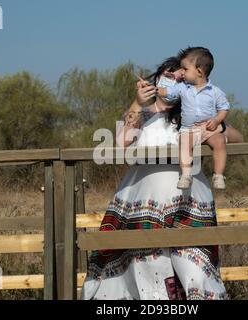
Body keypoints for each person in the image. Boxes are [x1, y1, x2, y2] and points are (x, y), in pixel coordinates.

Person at [81, 56, 229, 300]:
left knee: (194, 270)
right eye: (169, 76)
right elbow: (120, 143)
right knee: (147, 267)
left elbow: (232, 137)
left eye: (180, 79)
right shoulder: (141, 114)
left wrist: (217, 126)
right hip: (141, 202)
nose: (173, 82)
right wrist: (138, 104)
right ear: (158, 78)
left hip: (189, 203)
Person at [157, 47, 231, 190]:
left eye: (185, 69)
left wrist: (216, 120)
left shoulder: (215, 91)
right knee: (184, 143)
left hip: (209, 129)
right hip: (189, 130)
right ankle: (186, 174)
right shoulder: (182, 88)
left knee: (220, 141)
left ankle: (218, 175)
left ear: (199, 72)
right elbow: (168, 91)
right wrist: (155, 89)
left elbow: (224, 108)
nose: (182, 72)